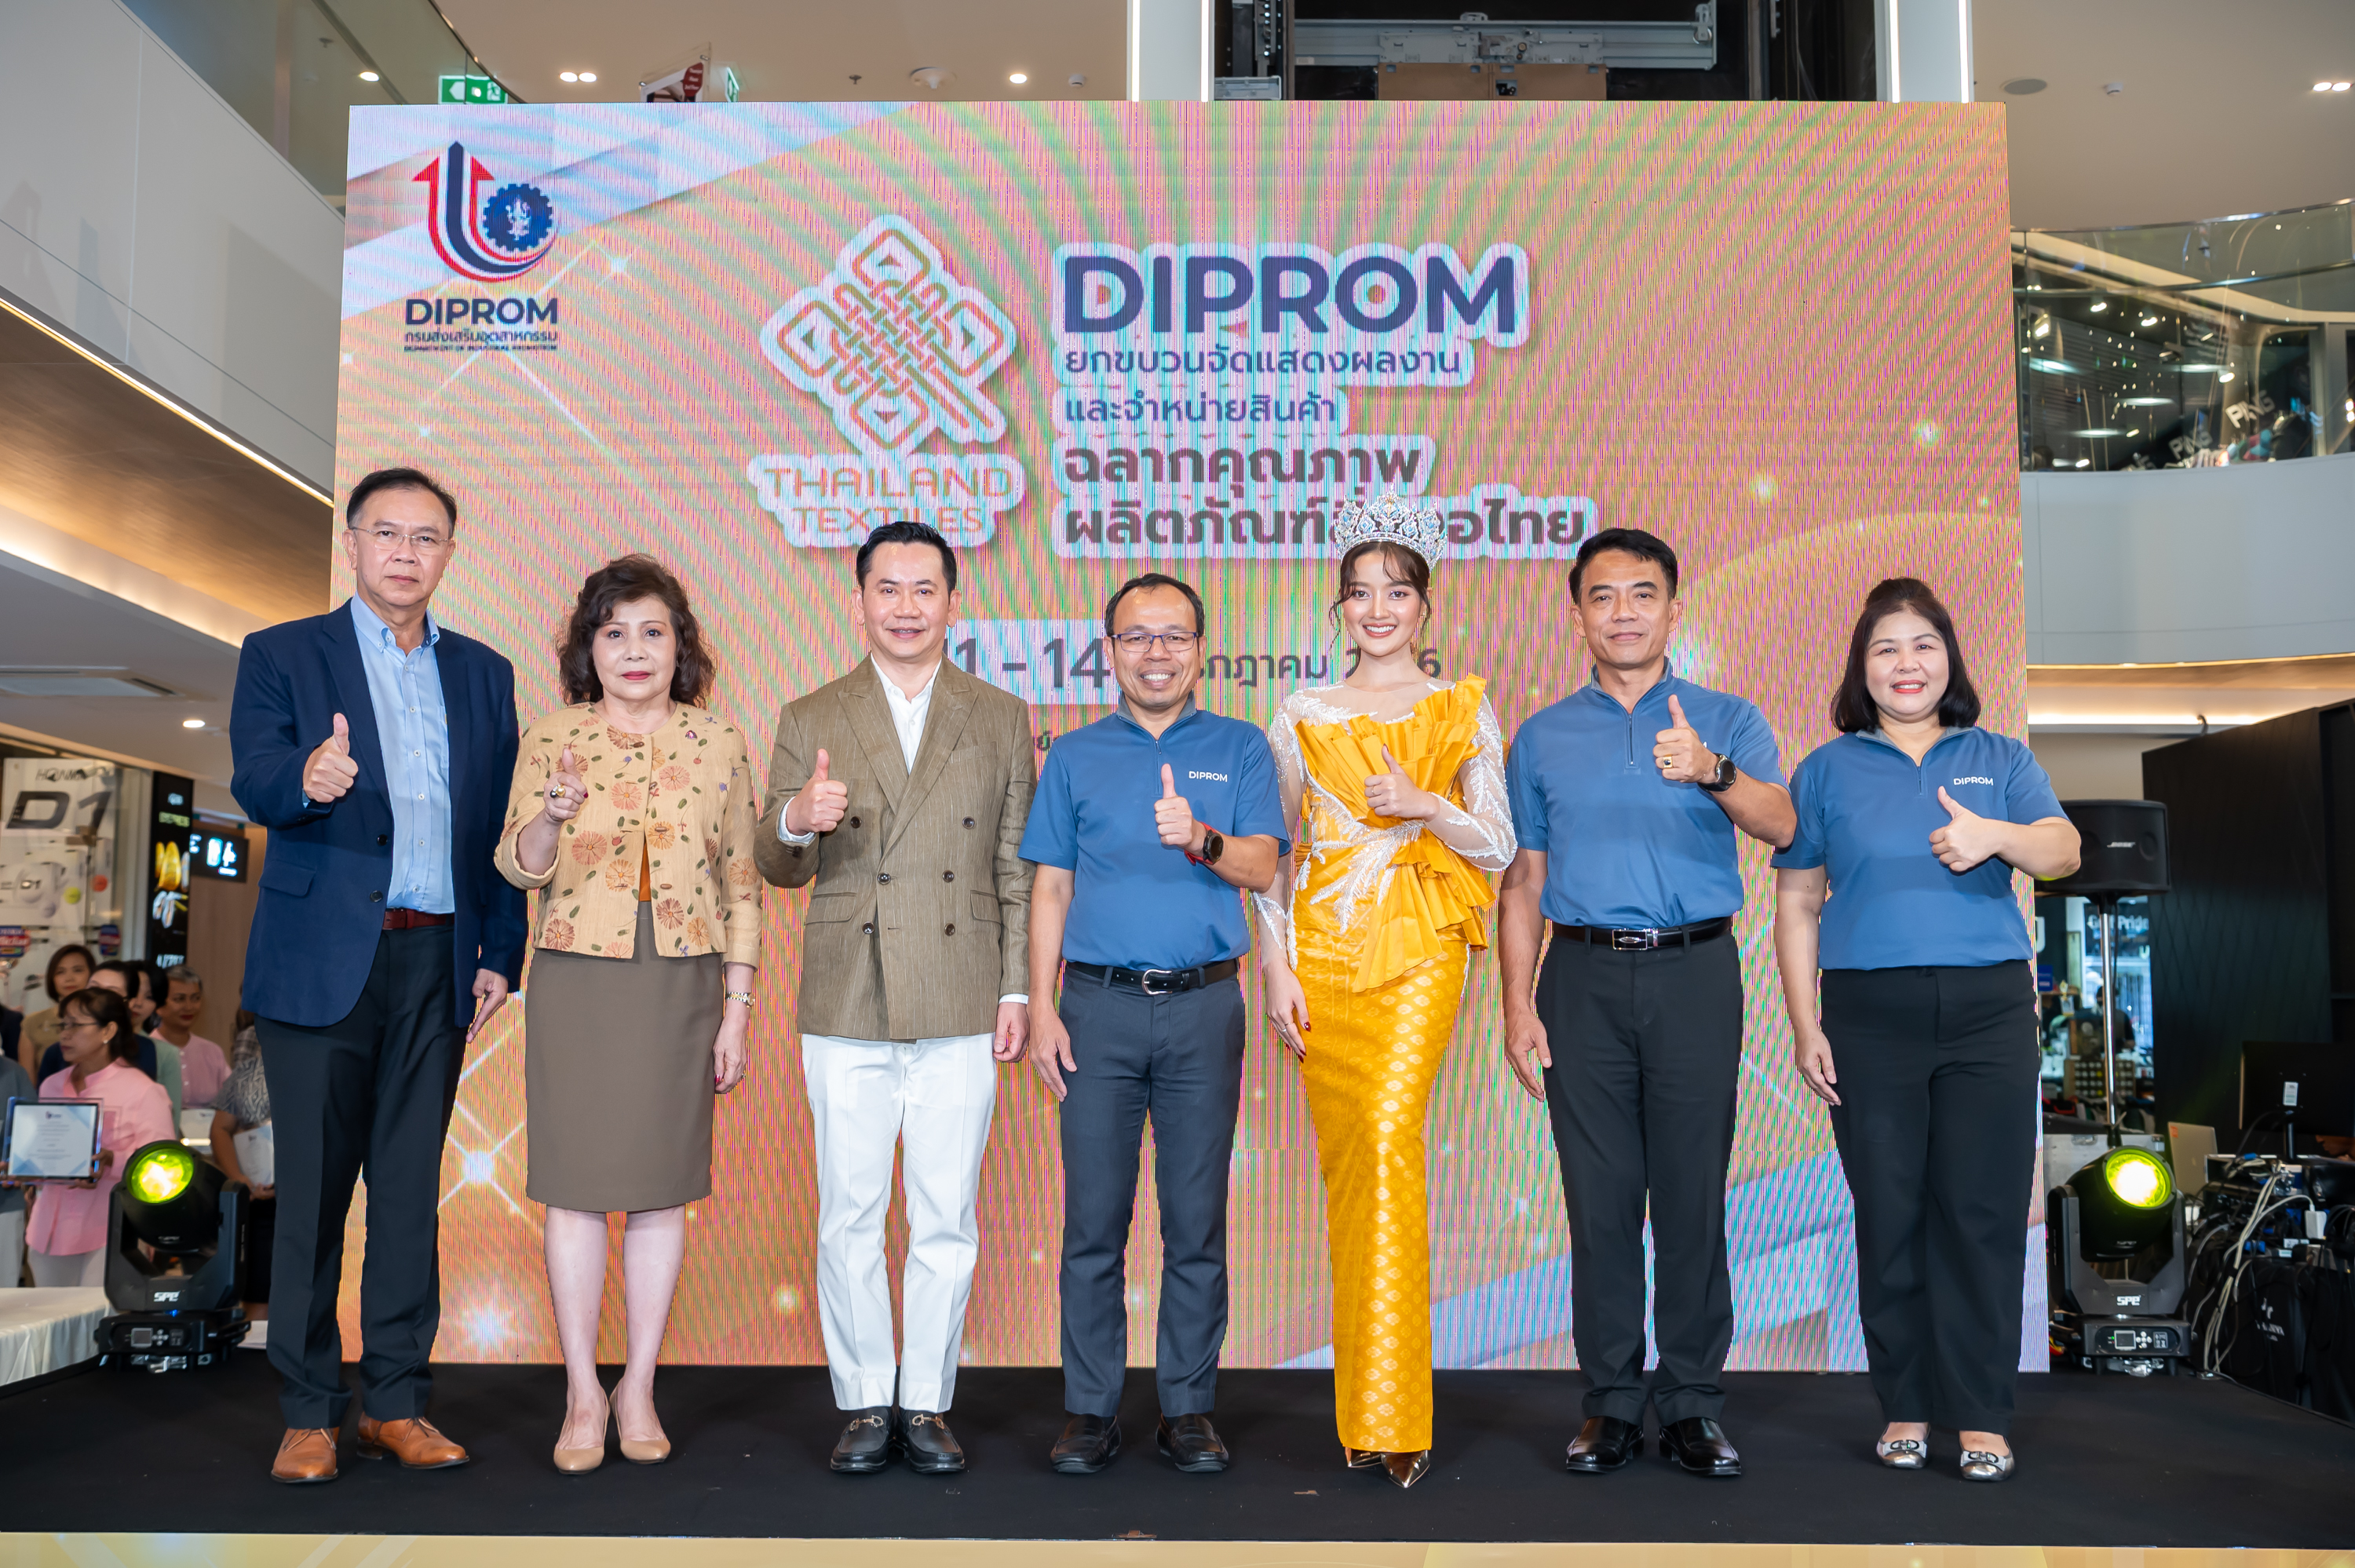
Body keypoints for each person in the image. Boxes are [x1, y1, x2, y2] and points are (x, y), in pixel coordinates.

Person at [229, 465, 527, 1485]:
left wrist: (498, 951)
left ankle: (395, 1402)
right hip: (321, 964)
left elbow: (496, 828)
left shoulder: (483, 672)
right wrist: (304, 778)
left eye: (426, 537)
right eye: (387, 533)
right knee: (313, 1194)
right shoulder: (282, 653)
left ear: (449, 554)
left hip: (437, 957)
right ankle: (309, 1410)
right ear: (351, 542)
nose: (406, 552)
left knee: (407, 1194)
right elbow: (253, 776)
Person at [1497, 527, 1795, 1479]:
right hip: (1579, 978)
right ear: (1577, 613)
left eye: (1641, 594)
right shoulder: (1542, 734)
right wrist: (1516, 1004)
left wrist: (1711, 770)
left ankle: (1694, 1402)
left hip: (1694, 972)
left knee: (1692, 1195)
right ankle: (1613, 1403)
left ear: (1673, 608)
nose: (1622, 613)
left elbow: (1784, 823)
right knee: (1600, 1201)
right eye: (1602, 596)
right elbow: (1523, 879)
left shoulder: (1728, 718)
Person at [1771, 576, 2079, 1483]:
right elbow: (1797, 904)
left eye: (1923, 646)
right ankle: (1904, 1404)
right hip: (1867, 1016)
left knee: (1982, 1215)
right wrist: (1804, 1023)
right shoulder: (1826, 770)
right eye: (1886, 649)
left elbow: (2063, 849)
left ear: (1950, 660)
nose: (1906, 665)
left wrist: (1995, 836)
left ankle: (1981, 1414)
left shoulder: (1999, 757)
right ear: (1861, 669)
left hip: (1989, 1011)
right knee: (1891, 1212)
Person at [753, 520, 1035, 1476]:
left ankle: (928, 1400)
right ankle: (867, 1398)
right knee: (851, 1208)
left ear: (953, 601)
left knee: (946, 1211)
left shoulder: (998, 714)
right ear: (859, 601)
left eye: (925, 590)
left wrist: (1016, 987)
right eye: (889, 589)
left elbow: (1013, 865)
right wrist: (798, 819)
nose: (906, 608)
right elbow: (774, 864)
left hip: (963, 988)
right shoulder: (812, 713)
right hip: (849, 991)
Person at [1254, 505, 1516, 1489]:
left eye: (1396, 592)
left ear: (1423, 605)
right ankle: (1363, 1412)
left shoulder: (1460, 707)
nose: (1378, 609)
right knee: (1352, 1171)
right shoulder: (1302, 711)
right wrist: (1275, 966)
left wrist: (1427, 806)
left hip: (1419, 950)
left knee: (1394, 1143)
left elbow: (1498, 844)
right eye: (1360, 592)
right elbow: (1274, 857)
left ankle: (1399, 1418)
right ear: (1340, 606)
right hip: (1320, 954)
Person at [497, 555, 761, 1475]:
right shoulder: (551, 737)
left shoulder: (720, 741)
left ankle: (637, 1385)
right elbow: (518, 865)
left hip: (682, 981)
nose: (635, 650)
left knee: (660, 1188)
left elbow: (742, 883)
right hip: (575, 976)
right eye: (615, 633)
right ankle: (581, 1390)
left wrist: (737, 1008)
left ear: (681, 646)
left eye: (654, 632)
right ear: (589, 647)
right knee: (572, 1186)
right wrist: (551, 814)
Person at [1020, 572, 1288, 1477]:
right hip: (1095, 1009)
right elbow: (1050, 886)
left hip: (1204, 1008)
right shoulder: (1074, 755)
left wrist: (1200, 837)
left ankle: (1188, 1408)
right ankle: (1090, 1410)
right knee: (1093, 1220)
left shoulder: (1240, 747)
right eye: (1137, 637)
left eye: (1174, 636)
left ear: (1201, 650)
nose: (1157, 653)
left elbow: (1263, 867)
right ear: (1111, 651)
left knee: (1195, 1219)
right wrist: (1044, 1005)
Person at [23, 987, 173, 1285]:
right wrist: (22, 1167)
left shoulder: (143, 1091)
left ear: (108, 1030)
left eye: (75, 1025)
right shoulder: (52, 1085)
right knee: (51, 1315)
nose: (65, 1034)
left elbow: (163, 1165)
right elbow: (47, 1151)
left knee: (99, 1315)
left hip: (109, 1232)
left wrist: (113, 1161)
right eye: (62, 1025)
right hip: (48, 1231)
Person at [209, 1023, 276, 1338]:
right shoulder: (248, 1073)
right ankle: (255, 1359)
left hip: (316, 1201)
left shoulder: (328, 1066)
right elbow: (220, 1129)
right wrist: (238, 1178)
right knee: (259, 1292)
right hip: (261, 1199)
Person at [155, 968, 230, 1108]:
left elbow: (232, 1101)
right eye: (179, 999)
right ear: (159, 1005)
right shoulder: (147, 1048)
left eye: (195, 998)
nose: (189, 1007)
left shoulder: (212, 1052)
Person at [19, 944, 93, 1078]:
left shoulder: (104, 1020)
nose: (69, 978)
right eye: (60, 972)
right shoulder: (33, 1023)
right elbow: (27, 1083)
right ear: (52, 979)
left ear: (92, 974)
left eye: (78, 970)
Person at [0, 1048, 31, 1286]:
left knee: (6, 1295)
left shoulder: (13, 1074)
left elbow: (34, 1136)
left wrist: (23, 1164)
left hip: (6, 1204)